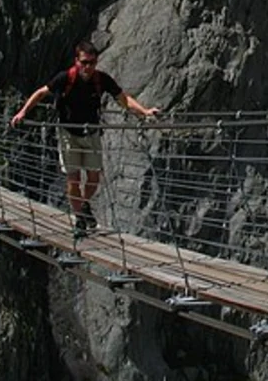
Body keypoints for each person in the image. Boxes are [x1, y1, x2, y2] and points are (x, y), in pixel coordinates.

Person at [10, 41, 159, 240]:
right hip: (68, 134)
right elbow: (41, 93)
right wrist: (22, 113)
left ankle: (81, 205)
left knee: (93, 178)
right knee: (73, 178)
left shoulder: (101, 80)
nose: (88, 67)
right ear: (76, 61)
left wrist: (144, 112)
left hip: (91, 133)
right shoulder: (65, 78)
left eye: (92, 62)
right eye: (84, 62)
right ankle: (80, 218)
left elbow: (123, 99)